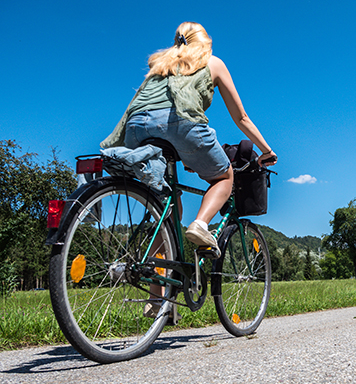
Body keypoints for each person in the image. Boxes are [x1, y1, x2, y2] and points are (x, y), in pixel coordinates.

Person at [101, 21, 276, 250]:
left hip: (135, 128)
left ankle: (159, 276)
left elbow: (148, 113)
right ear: (205, 41)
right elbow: (241, 117)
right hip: (181, 125)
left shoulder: (159, 66)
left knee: (169, 208)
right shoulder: (212, 62)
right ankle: (201, 225)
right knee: (224, 177)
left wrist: (186, 156)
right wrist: (266, 151)